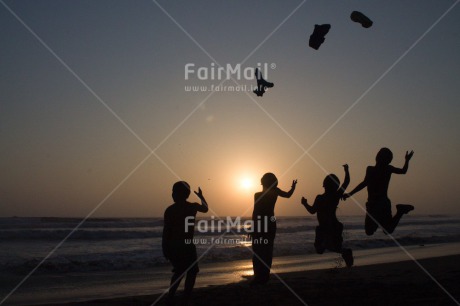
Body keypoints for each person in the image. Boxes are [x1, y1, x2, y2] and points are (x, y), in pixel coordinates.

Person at [343, 148, 414, 235]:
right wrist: (407, 160)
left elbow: (364, 183)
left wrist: (350, 194)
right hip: (381, 203)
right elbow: (403, 171)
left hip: (376, 203)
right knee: (386, 230)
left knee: (371, 231)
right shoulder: (387, 169)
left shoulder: (372, 169)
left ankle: (399, 212)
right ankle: (400, 211)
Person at [162, 181, 208, 305]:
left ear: (178, 194)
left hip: (175, 245)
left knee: (180, 271)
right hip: (186, 245)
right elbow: (205, 208)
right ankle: (184, 297)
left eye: (174, 192)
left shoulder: (170, 210)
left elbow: (166, 231)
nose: (172, 194)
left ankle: (173, 296)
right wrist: (201, 197)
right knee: (190, 271)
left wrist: (165, 248)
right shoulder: (192, 206)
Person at [301, 164, 353, 267]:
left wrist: (305, 203)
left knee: (319, 249)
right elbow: (346, 182)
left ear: (324, 184)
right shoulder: (336, 196)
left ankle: (331, 246)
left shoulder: (320, 198)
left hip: (325, 227)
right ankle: (345, 252)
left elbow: (312, 211)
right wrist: (346, 171)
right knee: (334, 247)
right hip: (335, 225)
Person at [251, 173, 297, 285]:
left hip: (261, 224)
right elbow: (288, 195)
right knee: (267, 250)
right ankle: (264, 276)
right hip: (270, 223)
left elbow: (255, 212)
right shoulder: (275, 192)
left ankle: (258, 276)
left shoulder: (257, 195)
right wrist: (293, 187)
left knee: (257, 250)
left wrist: (253, 227)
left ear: (263, 183)